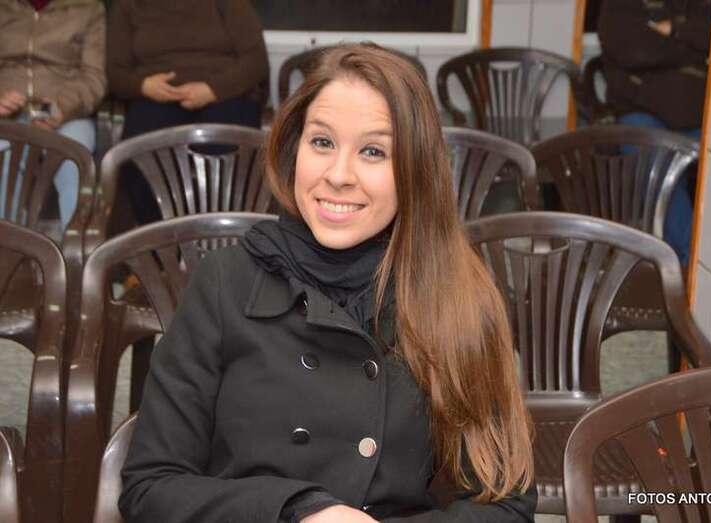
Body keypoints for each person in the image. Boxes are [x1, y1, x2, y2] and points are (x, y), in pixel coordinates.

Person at [119, 44, 537, 522]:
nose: (338, 175)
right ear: (293, 148)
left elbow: (507, 504)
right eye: (322, 142)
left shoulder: (457, 292)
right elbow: (150, 487)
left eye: (373, 151)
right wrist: (298, 511)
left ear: (415, 170)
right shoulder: (225, 282)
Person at [106, 0, 269, 224]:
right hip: (155, 98)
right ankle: (161, 238)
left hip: (224, 93)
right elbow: (115, 73)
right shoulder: (127, 5)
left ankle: (223, 237)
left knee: (226, 155)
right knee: (141, 157)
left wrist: (212, 90)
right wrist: (143, 86)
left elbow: (256, 61)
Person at [598, 0, 711, 266]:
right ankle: (691, 261)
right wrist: (692, 53)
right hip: (640, 112)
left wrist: (675, 30)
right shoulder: (619, 7)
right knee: (660, 164)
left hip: (699, 116)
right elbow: (631, 49)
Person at [0, 0, 106, 229]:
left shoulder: (87, 8)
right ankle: (9, 247)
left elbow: (95, 78)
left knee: (74, 159)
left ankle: (74, 246)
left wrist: (62, 107)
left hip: (67, 113)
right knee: (4, 158)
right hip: (7, 117)